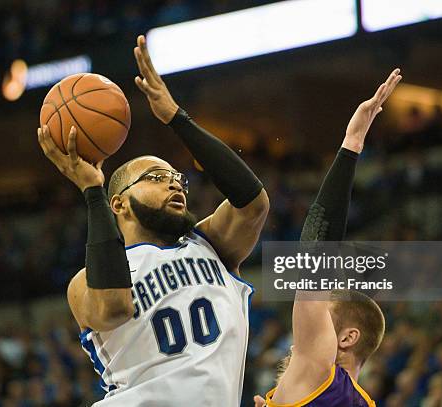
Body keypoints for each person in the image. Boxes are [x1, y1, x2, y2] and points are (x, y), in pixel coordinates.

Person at [38, 35, 269, 406]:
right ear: (120, 203)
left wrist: (178, 118)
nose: (175, 185)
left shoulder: (209, 245)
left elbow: (252, 202)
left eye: (178, 179)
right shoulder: (84, 283)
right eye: (157, 178)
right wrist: (91, 191)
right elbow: (113, 307)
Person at [255, 69, 402, 407]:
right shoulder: (363, 402)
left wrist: (351, 144)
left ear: (347, 338)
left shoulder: (321, 370)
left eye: (323, 316)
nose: (299, 336)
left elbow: (315, 250)